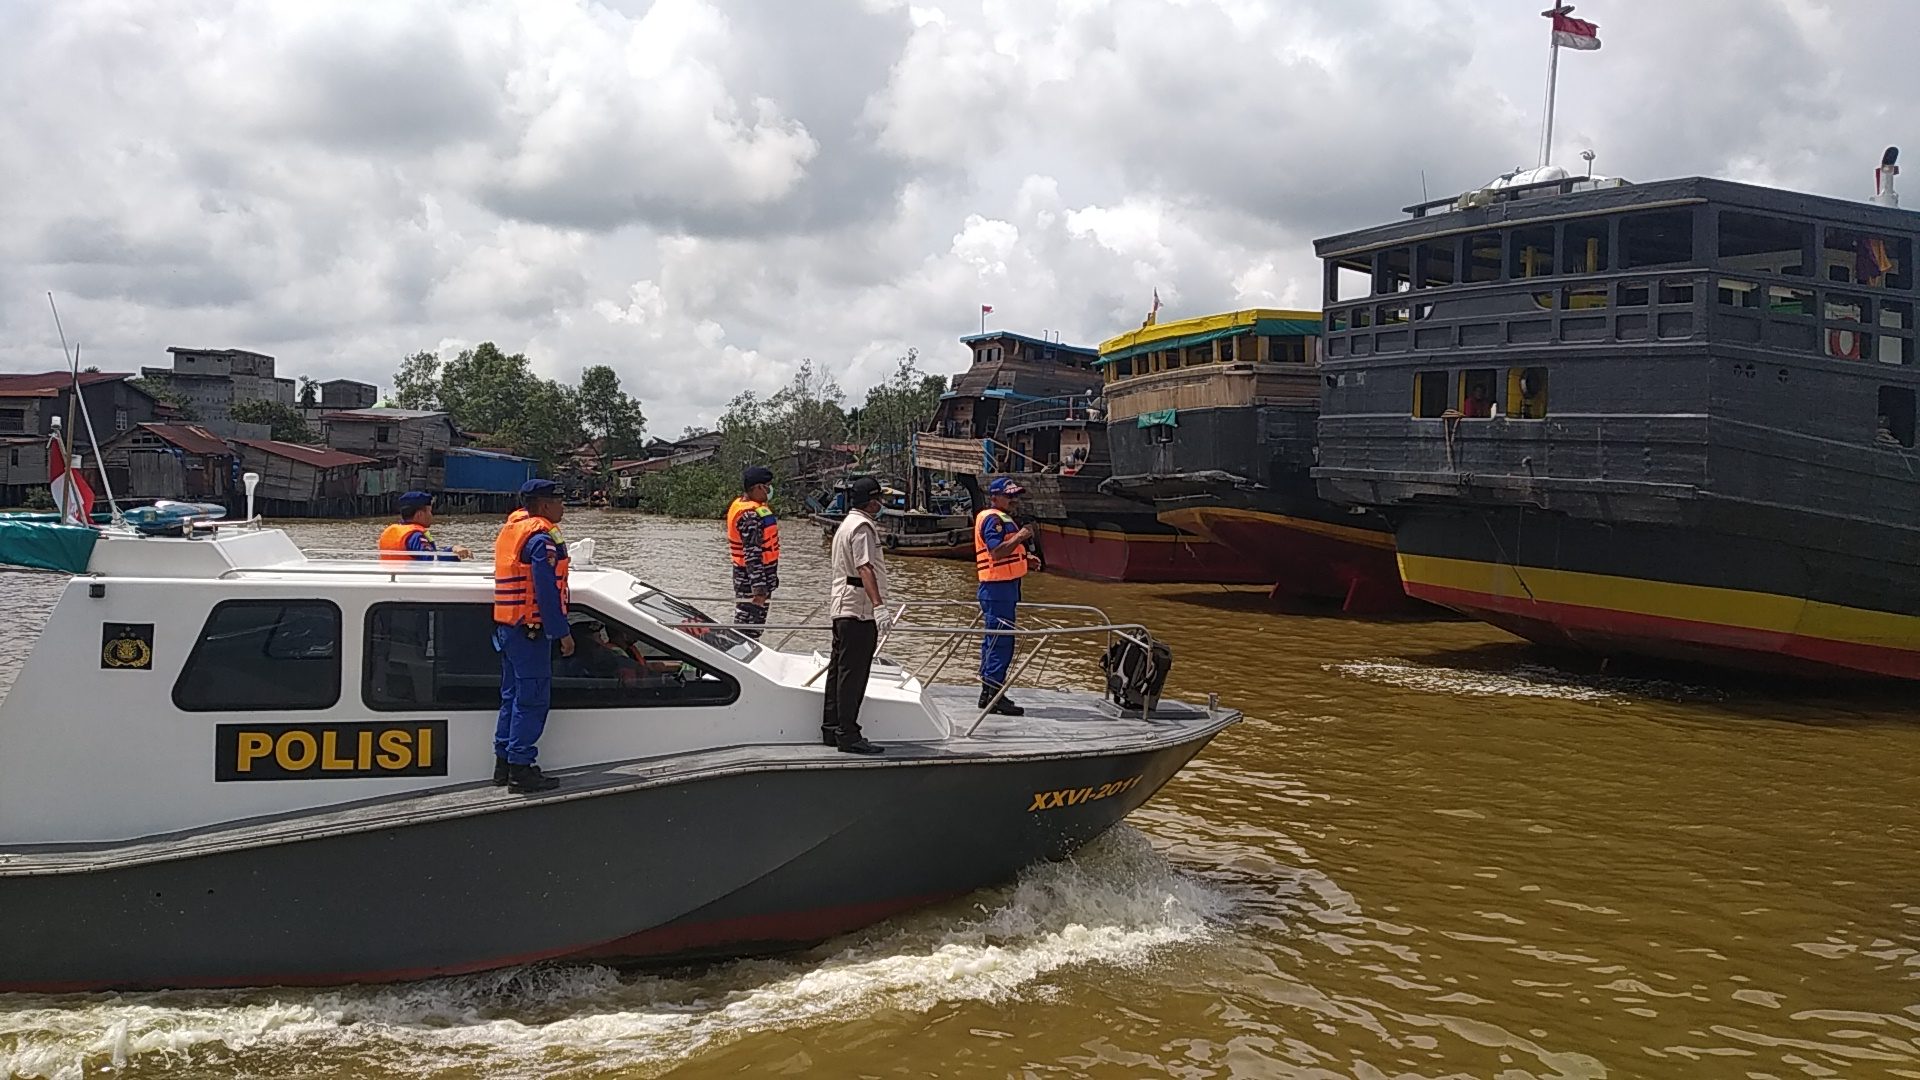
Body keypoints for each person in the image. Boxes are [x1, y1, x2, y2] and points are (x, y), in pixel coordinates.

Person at [491, 478, 572, 793]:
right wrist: (562, 632)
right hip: (531, 632)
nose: (563, 507)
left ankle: (503, 763)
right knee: (532, 700)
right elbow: (546, 591)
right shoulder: (541, 539)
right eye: (559, 501)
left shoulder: (512, 531)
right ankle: (521, 772)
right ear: (543, 505)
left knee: (511, 697)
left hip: (509, 629)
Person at [823, 476, 889, 755]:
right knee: (854, 673)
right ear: (872, 501)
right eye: (879, 498)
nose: (881, 503)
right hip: (858, 609)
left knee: (838, 669)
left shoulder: (845, 524)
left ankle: (831, 727)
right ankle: (848, 734)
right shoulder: (862, 527)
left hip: (842, 606)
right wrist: (879, 606)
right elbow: (865, 568)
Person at [974, 477, 1042, 715]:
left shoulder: (1001, 518)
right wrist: (1022, 536)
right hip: (997, 588)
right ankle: (994, 695)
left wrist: (1026, 559)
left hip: (1004, 587)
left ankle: (988, 693)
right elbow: (997, 551)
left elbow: (1006, 552)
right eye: (1009, 495)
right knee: (1000, 642)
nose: (1014, 500)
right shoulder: (993, 519)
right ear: (994, 497)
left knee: (996, 640)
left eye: (1016, 496)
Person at [726, 466, 780, 638]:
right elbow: (752, 555)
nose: (770, 491)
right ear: (757, 487)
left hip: (759, 578)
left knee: (752, 629)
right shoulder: (749, 516)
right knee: (747, 630)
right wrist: (759, 590)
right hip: (751, 582)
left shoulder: (754, 508)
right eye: (768, 486)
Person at [377, 492, 473, 562]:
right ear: (419, 515)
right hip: (413, 582)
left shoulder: (390, 531)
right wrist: (452, 551)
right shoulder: (416, 536)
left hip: (392, 580)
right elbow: (431, 560)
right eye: (429, 511)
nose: (432, 515)